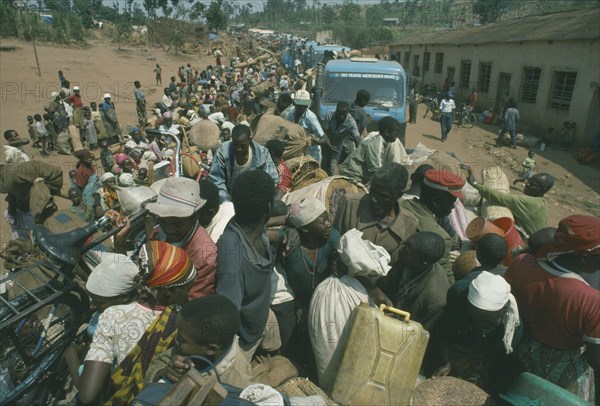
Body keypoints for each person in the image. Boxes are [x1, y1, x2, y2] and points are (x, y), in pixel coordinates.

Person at [71, 240, 195, 405]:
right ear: (170, 291)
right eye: (187, 289)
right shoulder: (184, 325)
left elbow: (87, 395)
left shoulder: (113, 315)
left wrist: (70, 355)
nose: (188, 296)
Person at [505, 215, 600, 402]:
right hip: (565, 369)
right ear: (585, 259)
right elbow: (595, 360)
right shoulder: (591, 300)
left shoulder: (520, 263)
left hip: (521, 354)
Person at [216, 170, 282, 361]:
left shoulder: (253, 226)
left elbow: (267, 230)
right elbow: (227, 316)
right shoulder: (233, 257)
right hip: (243, 341)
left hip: (261, 318)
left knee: (277, 355)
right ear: (269, 207)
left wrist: (286, 233)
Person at [334, 163, 419, 305]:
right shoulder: (350, 204)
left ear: (398, 195)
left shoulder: (409, 225)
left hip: (378, 298)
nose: (373, 199)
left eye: (383, 196)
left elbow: (396, 271)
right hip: (341, 288)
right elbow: (333, 243)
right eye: (372, 191)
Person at [431, 271, 522, 395]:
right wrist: (445, 362)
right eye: (475, 317)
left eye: (487, 320)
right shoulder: (457, 296)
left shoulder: (511, 330)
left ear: (503, 309)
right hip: (458, 349)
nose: (480, 323)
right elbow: (442, 331)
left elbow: (501, 366)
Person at [142, 295, 251, 390]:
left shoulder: (235, 385)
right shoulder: (191, 341)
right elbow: (157, 365)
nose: (176, 340)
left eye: (182, 339)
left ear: (211, 349)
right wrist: (164, 372)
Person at [146, 177, 218, 300]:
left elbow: (194, 302)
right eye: (163, 222)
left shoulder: (204, 256)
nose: (169, 230)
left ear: (196, 216)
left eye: (178, 225)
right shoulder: (159, 233)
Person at [401, 169, 464, 284]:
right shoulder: (440, 238)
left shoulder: (400, 204)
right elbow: (446, 279)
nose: (453, 207)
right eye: (451, 202)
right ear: (435, 201)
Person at [377, 232, 448, 331]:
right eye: (404, 244)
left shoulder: (434, 299)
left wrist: (395, 320)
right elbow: (384, 284)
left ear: (422, 263)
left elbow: (419, 333)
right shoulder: (404, 258)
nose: (401, 249)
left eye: (408, 251)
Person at [283, 198, 340, 309]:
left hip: (326, 303)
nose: (329, 224)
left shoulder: (332, 237)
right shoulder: (290, 243)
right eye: (323, 222)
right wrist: (287, 229)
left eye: (328, 219)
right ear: (305, 228)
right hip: (296, 305)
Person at [467, 168, 554, 236]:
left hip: (534, 244)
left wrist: (475, 183)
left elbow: (502, 198)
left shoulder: (531, 203)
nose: (527, 184)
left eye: (533, 184)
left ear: (543, 190)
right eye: (529, 181)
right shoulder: (541, 201)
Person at [209, 124, 278, 203]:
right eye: (235, 145)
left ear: (250, 140)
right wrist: (226, 201)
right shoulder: (223, 152)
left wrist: (257, 198)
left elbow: (271, 179)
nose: (238, 149)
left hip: (252, 196)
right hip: (228, 194)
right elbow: (217, 178)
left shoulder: (262, 154)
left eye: (242, 146)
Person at [339, 116, 409, 185]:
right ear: (387, 132)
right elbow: (377, 171)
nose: (397, 136)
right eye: (395, 133)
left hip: (360, 175)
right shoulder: (375, 146)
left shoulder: (381, 142)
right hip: (352, 174)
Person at [280, 89, 325, 163]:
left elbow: (323, 138)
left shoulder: (311, 118)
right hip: (296, 150)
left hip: (311, 153)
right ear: (294, 103)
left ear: (307, 105)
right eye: (299, 105)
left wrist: (311, 141)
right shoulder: (289, 113)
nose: (301, 108)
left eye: (303, 106)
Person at [322, 101, 361, 175]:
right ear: (336, 111)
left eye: (344, 114)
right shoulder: (329, 115)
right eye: (339, 113)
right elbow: (324, 132)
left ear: (348, 112)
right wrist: (329, 145)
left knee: (332, 168)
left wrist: (360, 152)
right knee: (323, 164)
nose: (341, 116)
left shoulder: (351, 122)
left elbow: (357, 138)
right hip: (325, 142)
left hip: (337, 144)